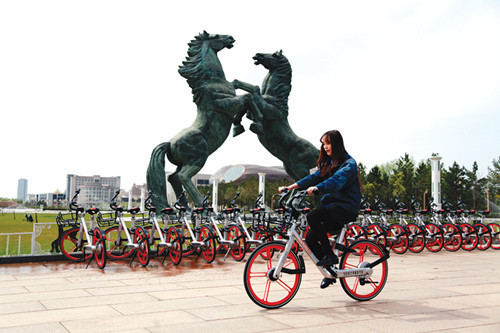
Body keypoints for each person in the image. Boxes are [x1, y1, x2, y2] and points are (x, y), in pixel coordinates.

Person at [279, 129, 361, 289]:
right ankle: (329, 271)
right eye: (323, 144)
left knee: (313, 216)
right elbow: (312, 177)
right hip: (333, 207)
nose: (325, 147)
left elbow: (336, 181)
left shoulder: (348, 165)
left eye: (328, 143)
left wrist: (317, 188)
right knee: (309, 240)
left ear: (337, 144)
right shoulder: (329, 164)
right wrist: (291, 187)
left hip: (346, 208)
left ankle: (330, 256)